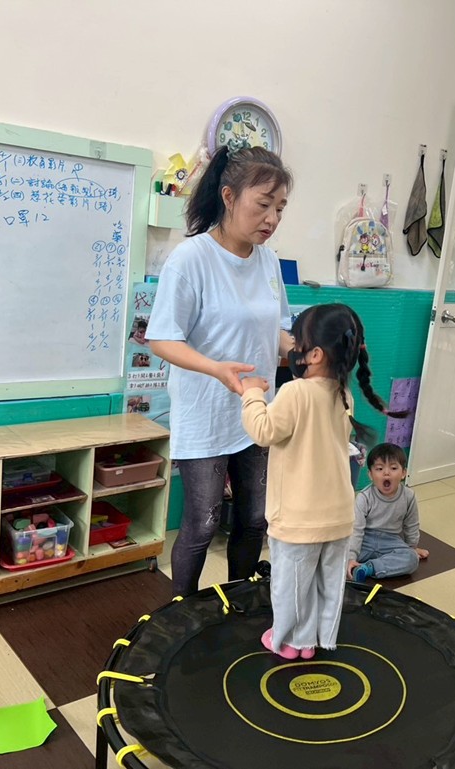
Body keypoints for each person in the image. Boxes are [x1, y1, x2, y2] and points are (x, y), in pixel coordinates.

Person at [146, 146, 294, 596]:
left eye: (280, 208)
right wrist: (215, 369)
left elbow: (279, 330)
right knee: (203, 522)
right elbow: (162, 339)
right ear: (229, 197)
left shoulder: (269, 261)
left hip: (257, 410)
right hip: (206, 410)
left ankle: (240, 604)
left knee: (253, 518)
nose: (272, 218)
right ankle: (182, 614)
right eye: (263, 204)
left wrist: (311, 350)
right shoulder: (190, 259)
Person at [240, 303, 396, 659]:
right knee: (325, 583)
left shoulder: (295, 393)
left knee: (292, 584)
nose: (294, 349)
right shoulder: (343, 393)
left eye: (298, 343)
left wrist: (251, 394)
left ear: (314, 354)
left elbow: (263, 431)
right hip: (338, 515)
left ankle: (289, 642)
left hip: (299, 516)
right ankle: (312, 640)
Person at [347, 443, 429, 582]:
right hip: (365, 540)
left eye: (393, 468)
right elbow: (356, 530)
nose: (386, 473)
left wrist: (411, 547)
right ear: (370, 475)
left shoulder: (409, 496)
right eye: (379, 469)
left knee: (412, 559)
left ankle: (369, 568)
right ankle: (360, 565)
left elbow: (412, 525)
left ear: (403, 473)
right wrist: (351, 557)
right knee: (338, 555)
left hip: (390, 540)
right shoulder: (364, 497)